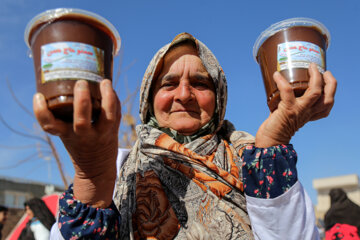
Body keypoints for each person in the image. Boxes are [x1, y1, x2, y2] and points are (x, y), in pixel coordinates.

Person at [33, 32, 337, 239]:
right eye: (168, 83)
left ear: (218, 97)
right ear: (148, 99)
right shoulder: (113, 168)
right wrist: (90, 177)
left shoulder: (256, 161)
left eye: (201, 83)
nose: (184, 94)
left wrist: (273, 143)